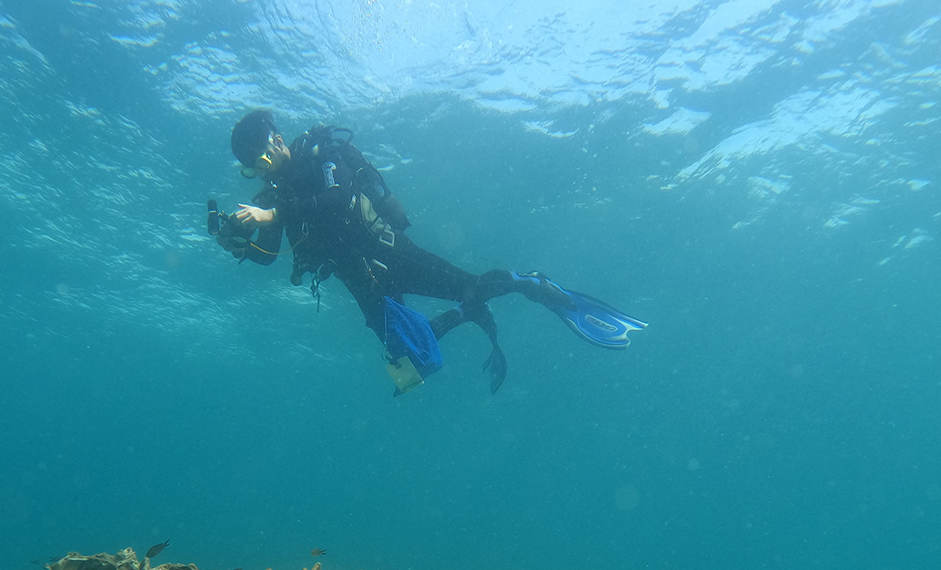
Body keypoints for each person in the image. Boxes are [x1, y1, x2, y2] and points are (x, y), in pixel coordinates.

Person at [212, 109, 646, 394]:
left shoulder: (321, 155)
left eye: (261, 161)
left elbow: (339, 199)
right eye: (253, 169)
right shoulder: (274, 196)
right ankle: (467, 312)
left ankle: (527, 283)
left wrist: (274, 214)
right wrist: (238, 244)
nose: (262, 172)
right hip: (362, 284)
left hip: (391, 255)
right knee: (409, 371)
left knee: (471, 287)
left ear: (275, 140)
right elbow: (268, 255)